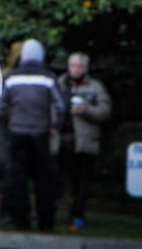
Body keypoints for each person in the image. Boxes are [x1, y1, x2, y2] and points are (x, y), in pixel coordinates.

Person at [0, 38, 64, 232]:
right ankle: (46, 221)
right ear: (41, 56)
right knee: (44, 179)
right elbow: (60, 106)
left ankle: (20, 221)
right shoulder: (49, 78)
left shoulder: (11, 78)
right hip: (40, 135)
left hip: (16, 134)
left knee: (17, 178)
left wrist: (5, 127)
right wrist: (54, 126)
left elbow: (0, 108)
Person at [53, 51, 112, 232]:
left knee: (81, 184)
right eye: (73, 65)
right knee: (57, 182)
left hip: (84, 144)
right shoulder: (58, 84)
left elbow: (105, 111)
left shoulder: (95, 87)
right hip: (61, 142)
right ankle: (50, 215)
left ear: (86, 69)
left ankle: (77, 217)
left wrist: (87, 110)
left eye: (80, 66)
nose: (76, 69)